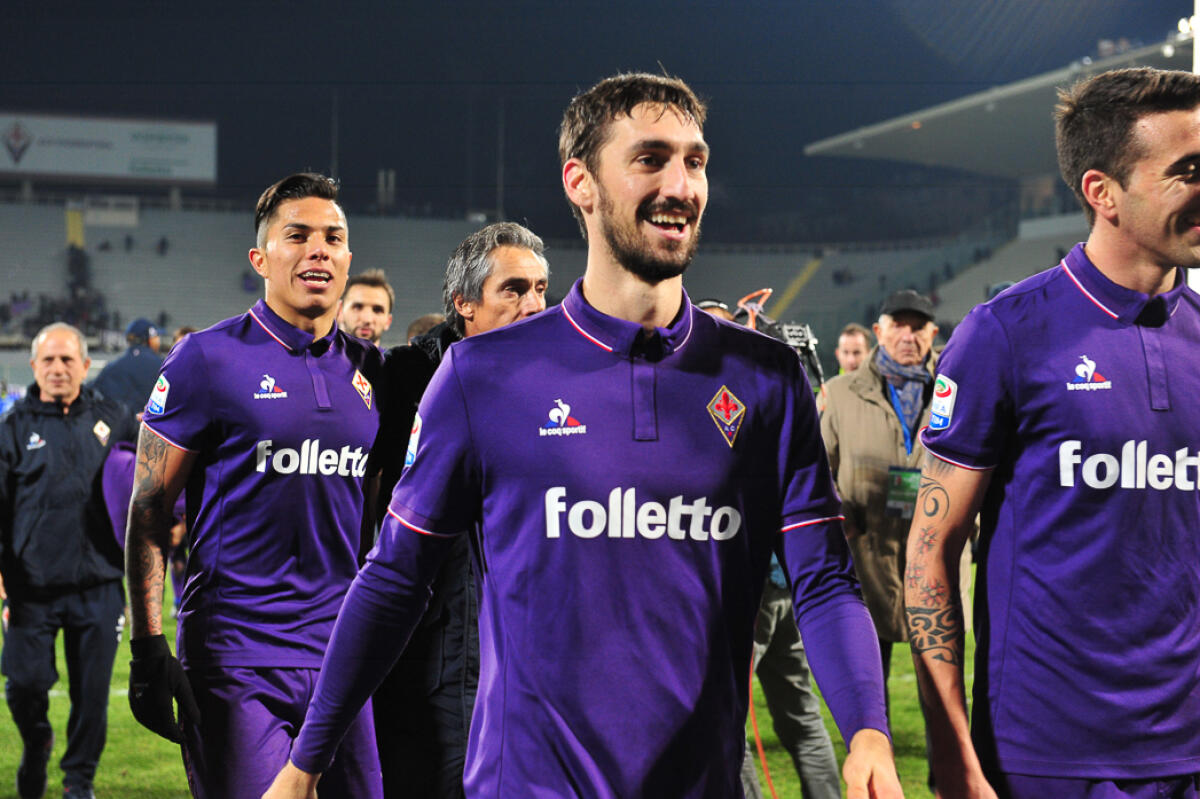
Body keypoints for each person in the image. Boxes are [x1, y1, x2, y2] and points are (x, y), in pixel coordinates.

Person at [266, 72, 900, 799]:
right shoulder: (484, 375)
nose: (682, 184)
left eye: (695, 161)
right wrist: (305, 761)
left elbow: (822, 576)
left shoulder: (766, 378)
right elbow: (395, 578)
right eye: (650, 159)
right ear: (581, 182)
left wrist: (869, 732)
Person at [905, 67, 1200, 799]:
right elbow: (930, 547)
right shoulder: (1006, 334)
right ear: (1103, 192)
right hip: (1048, 755)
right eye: (1187, 171)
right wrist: (950, 749)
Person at [124, 173, 384, 799]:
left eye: (333, 238)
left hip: (343, 654)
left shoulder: (372, 371)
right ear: (260, 259)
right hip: (236, 655)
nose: (318, 249)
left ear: (348, 260)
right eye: (297, 236)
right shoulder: (205, 360)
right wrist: (145, 644)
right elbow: (149, 509)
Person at [372, 221, 548, 798]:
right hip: (426, 642)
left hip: (526, 644)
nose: (533, 305)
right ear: (463, 303)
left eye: (541, 289)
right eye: (514, 290)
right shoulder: (403, 379)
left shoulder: (559, 383)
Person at [821, 290, 969, 789]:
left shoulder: (960, 391)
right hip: (866, 563)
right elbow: (819, 476)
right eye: (898, 325)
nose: (909, 336)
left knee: (945, 702)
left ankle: (947, 784)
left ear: (933, 334)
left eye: (919, 326)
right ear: (879, 330)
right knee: (868, 696)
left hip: (937, 567)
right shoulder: (840, 395)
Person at [697, 301, 840, 799]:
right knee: (801, 713)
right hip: (789, 584)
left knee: (724, 713)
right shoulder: (780, 389)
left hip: (749, 590)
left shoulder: (725, 397)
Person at [1, 323, 137, 799]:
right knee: (24, 685)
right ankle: (37, 739)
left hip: (99, 583)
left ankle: (79, 781)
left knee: (92, 695)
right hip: (30, 586)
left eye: (67, 360)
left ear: (84, 364)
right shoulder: (13, 427)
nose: (58, 369)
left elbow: (145, 486)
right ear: (34, 367)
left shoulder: (117, 418)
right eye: (48, 361)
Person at [91, 318, 163, 418]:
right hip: (152, 430)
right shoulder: (164, 366)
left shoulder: (110, 368)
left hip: (118, 429)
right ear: (150, 339)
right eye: (157, 337)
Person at [338, 268, 394, 347]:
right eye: (357, 307)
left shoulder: (396, 359)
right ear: (340, 311)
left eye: (377, 310)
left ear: (388, 321)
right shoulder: (317, 357)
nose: (367, 319)